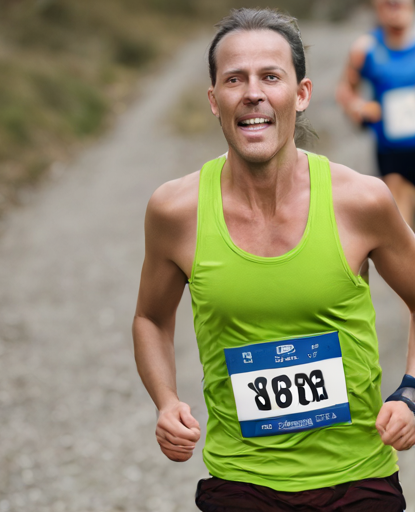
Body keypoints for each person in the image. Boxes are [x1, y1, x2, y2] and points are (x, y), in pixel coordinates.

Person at [133, 7, 415, 511]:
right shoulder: (175, 211)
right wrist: (167, 401)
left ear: (301, 94)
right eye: (234, 79)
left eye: (271, 76)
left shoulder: (361, 201)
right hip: (240, 481)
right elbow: (151, 318)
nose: (252, 93)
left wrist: (412, 392)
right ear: (214, 100)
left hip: (358, 480)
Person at [336, 0, 415, 228]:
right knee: (402, 230)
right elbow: (345, 91)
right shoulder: (365, 48)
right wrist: (359, 108)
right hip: (393, 158)